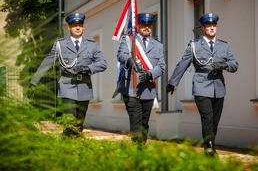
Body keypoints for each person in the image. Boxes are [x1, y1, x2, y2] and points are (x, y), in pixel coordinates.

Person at [166, 13, 238, 156]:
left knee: (214, 121)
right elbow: (183, 64)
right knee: (207, 118)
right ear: (203, 28)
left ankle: (209, 146)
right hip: (201, 86)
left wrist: (224, 65)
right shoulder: (194, 45)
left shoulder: (224, 45)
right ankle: (210, 149)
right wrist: (173, 82)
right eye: (208, 26)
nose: (211, 28)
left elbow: (234, 65)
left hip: (219, 87)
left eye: (213, 25)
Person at [30, 12, 107, 137]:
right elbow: (47, 63)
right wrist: (34, 81)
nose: (77, 28)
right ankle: (69, 145)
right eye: (74, 25)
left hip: (84, 87)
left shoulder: (91, 45)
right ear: (68, 27)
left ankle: (74, 146)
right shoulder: (60, 45)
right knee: (70, 121)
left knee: (79, 124)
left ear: (83, 27)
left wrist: (87, 68)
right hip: (67, 86)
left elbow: (103, 63)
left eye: (80, 25)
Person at [117, 12, 165, 145]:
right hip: (131, 89)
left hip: (148, 90)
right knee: (136, 122)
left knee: (144, 123)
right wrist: (130, 60)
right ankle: (137, 149)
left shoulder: (158, 45)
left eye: (149, 25)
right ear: (138, 25)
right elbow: (120, 55)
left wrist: (150, 74)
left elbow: (161, 66)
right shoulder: (128, 41)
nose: (146, 27)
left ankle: (140, 148)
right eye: (143, 24)